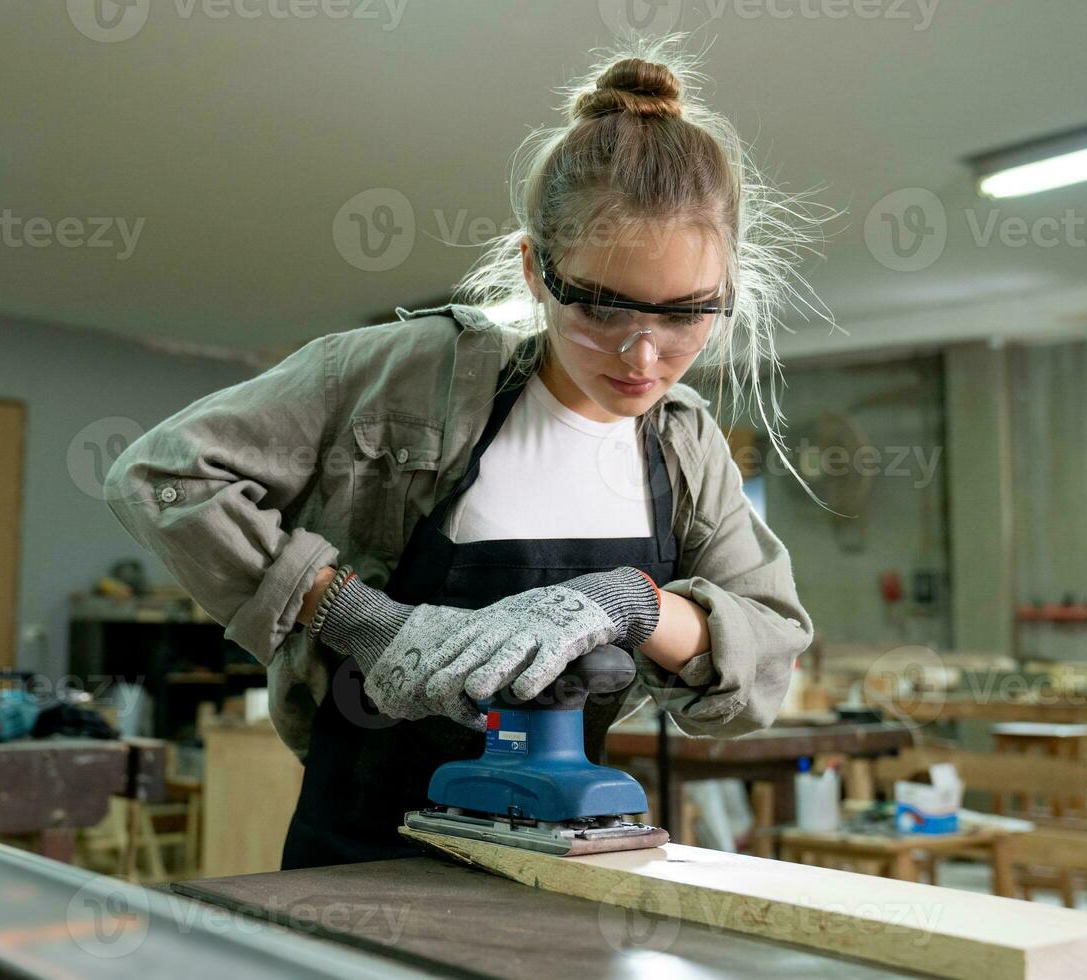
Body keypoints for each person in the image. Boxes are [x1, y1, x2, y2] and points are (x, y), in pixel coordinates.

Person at [105, 36, 822, 871]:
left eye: (687, 315)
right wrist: (357, 619)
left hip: (565, 861)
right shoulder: (405, 378)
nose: (643, 357)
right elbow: (162, 475)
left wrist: (629, 606)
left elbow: (767, 648)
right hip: (362, 849)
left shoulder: (684, 444)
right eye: (598, 308)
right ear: (533, 271)